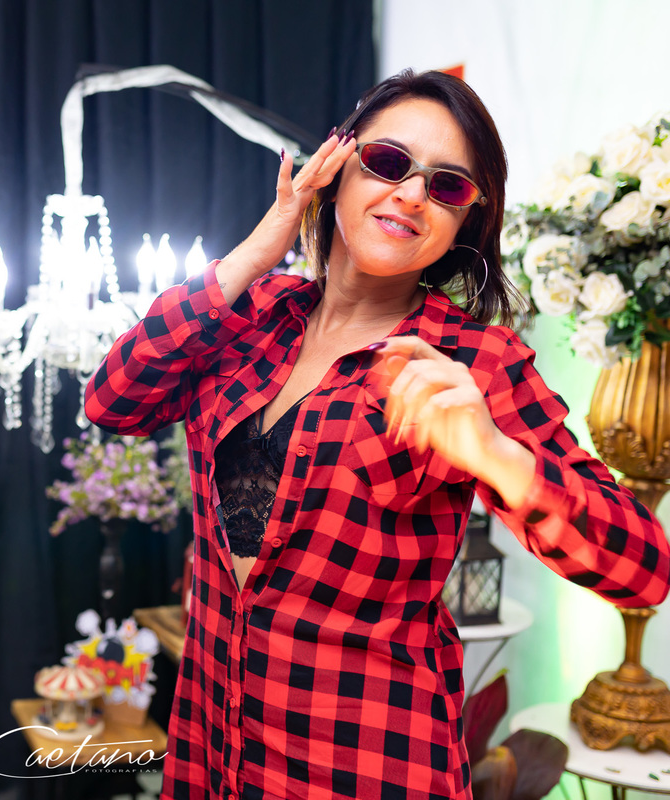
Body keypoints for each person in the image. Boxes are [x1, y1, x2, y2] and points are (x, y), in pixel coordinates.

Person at [84, 69, 670, 800]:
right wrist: (256, 251)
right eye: (389, 162)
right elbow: (114, 400)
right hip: (211, 747)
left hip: (366, 764)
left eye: (447, 185)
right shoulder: (253, 315)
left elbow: (642, 567)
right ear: (337, 169)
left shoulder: (471, 364)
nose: (413, 193)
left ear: (464, 222)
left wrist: (497, 457)